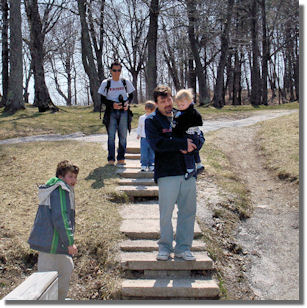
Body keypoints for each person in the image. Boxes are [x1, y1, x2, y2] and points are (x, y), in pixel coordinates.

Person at [145, 85, 198, 261]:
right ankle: (165, 247)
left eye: (169, 99)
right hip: (167, 173)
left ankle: (183, 248)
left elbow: (198, 133)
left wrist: (195, 144)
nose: (167, 103)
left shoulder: (183, 114)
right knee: (166, 213)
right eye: (163, 101)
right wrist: (182, 144)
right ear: (156, 103)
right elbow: (158, 144)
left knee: (188, 211)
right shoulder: (151, 120)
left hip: (187, 171)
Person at [28, 160, 79, 301]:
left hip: (52, 243)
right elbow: (61, 217)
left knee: (66, 268)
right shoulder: (60, 190)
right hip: (52, 243)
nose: (73, 180)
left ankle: (58, 300)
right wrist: (69, 242)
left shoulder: (57, 189)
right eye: (70, 176)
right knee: (46, 280)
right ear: (61, 177)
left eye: (75, 177)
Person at [98, 61, 135, 166]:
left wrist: (127, 103)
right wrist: (112, 104)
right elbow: (102, 99)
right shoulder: (106, 83)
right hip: (111, 113)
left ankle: (121, 158)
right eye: (114, 70)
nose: (116, 73)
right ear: (110, 71)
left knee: (123, 136)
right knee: (111, 136)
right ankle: (111, 159)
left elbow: (131, 95)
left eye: (119, 70)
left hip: (124, 111)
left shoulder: (125, 81)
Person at [173, 89, 205, 180]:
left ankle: (190, 169)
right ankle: (199, 165)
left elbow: (180, 128)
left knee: (188, 151)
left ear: (190, 102)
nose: (180, 107)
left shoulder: (187, 113)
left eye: (182, 105)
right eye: (178, 105)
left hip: (190, 136)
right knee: (195, 151)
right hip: (196, 134)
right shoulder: (192, 111)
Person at [137, 101, 156, 171]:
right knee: (144, 152)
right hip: (144, 138)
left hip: (152, 139)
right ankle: (143, 165)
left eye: (150, 111)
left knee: (152, 152)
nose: (148, 113)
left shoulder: (155, 118)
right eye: (147, 111)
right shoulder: (142, 118)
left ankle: (151, 164)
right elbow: (139, 126)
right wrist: (138, 134)